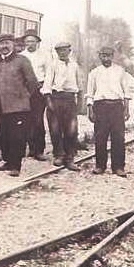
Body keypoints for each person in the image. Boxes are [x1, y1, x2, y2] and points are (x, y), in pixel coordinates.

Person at [0, 33, 37, 177]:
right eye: (1, 44)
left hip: (18, 107)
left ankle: (16, 165)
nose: (4, 46)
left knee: (17, 136)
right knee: (3, 135)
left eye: (7, 43)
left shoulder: (22, 60)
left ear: (13, 45)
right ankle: (8, 161)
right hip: (0, 106)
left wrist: (23, 96)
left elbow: (32, 83)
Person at [86, 45, 132, 177]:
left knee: (118, 137)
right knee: (100, 137)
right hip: (100, 106)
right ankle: (100, 165)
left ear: (112, 56)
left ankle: (118, 167)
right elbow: (90, 92)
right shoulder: (94, 72)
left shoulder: (120, 71)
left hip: (117, 106)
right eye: (103, 55)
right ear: (99, 56)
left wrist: (126, 108)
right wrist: (90, 109)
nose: (106, 58)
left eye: (108, 55)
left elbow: (126, 91)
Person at [41, 41, 83, 170]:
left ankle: (70, 157)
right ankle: (58, 154)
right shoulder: (53, 65)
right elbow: (47, 84)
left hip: (69, 99)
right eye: (59, 51)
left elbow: (80, 85)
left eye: (65, 50)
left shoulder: (75, 66)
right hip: (56, 98)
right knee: (55, 129)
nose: (62, 53)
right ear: (57, 52)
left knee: (71, 130)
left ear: (69, 51)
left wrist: (80, 103)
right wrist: (49, 102)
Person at [20, 29, 50, 161]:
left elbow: (49, 74)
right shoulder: (21, 56)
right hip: (25, 89)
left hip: (39, 89)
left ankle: (39, 150)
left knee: (37, 120)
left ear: (37, 42)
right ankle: (30, 148)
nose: (30, 44)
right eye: (27, 41)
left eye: (32, 41)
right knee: (25, 119)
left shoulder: (45, 55)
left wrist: (44, 88)